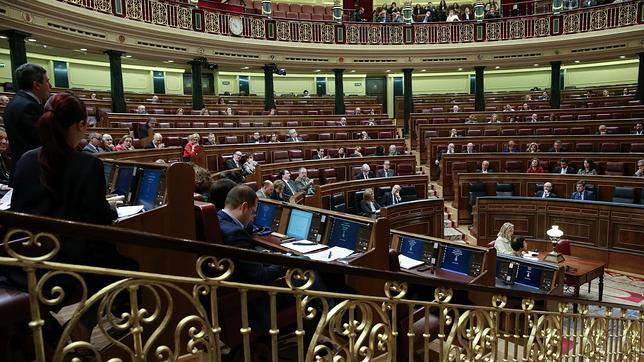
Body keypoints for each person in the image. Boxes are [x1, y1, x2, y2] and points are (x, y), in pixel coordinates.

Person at [9, 92, 138, 343]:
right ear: (81, 125)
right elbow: (98, 220)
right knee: (132, 263)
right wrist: (111, 210)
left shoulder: (25, 159)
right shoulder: (87, 164)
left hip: (25, 256)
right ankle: (91, 325)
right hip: (66, 260)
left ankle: (81, 326)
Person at [5, 64, 50, 179]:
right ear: (37, 85)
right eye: (47, 81)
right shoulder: (29, 106)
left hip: (22, 169)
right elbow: (43, 141)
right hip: (32, 174)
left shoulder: (16, 102)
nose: (50, 85)